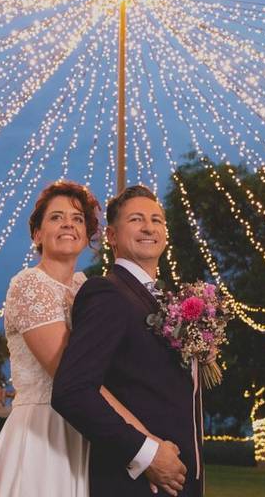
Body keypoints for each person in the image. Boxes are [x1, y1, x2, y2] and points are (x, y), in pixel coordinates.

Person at [0, 181, 156, 497]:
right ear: (37, 234)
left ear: (88, 234)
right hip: (43, 432)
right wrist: (146, 443)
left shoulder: (84, 287)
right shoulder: (29, 286)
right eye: (56, 217)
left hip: (86, 433)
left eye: (78, 219)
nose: (68, 224)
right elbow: (72, 378)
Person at [53, 185, 202, 497]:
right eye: (136, 219)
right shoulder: (107, 293)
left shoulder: (170, 300)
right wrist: (146, 454)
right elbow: (72, 391)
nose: (149, 227)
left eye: (157, 220)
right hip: (136, 484)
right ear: (111, 236)